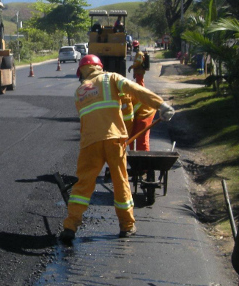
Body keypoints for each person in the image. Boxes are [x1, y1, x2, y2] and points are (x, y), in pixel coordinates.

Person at [59, 54, 175, 244]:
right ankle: (127, 226)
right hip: (114, 140)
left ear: (81, 72)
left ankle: (70, 226)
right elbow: (136, 89)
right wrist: (160, 104)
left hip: (89, 143)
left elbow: (87, 121)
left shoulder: (79, 92)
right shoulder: (111, 78)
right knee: (121, 182)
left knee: (82, 186)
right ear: (99, 67)